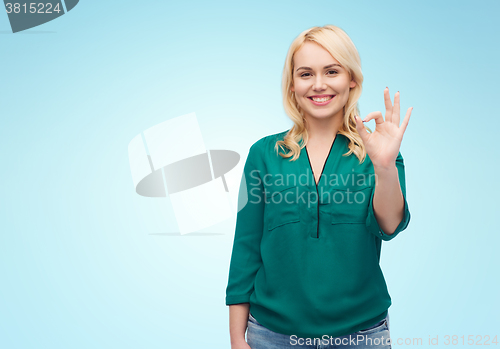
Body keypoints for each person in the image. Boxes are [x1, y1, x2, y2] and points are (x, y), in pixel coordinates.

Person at [225, 24, 412, 349]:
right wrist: (236, 339)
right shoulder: (264, 154)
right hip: (271, 334)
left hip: (361, 333)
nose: (319, 84)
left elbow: (390, 225)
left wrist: (384, 168)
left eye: (332, 71)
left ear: (351, 79)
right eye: (306, 74)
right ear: (293, 84)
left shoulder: (377, 151)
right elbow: (246, 246)